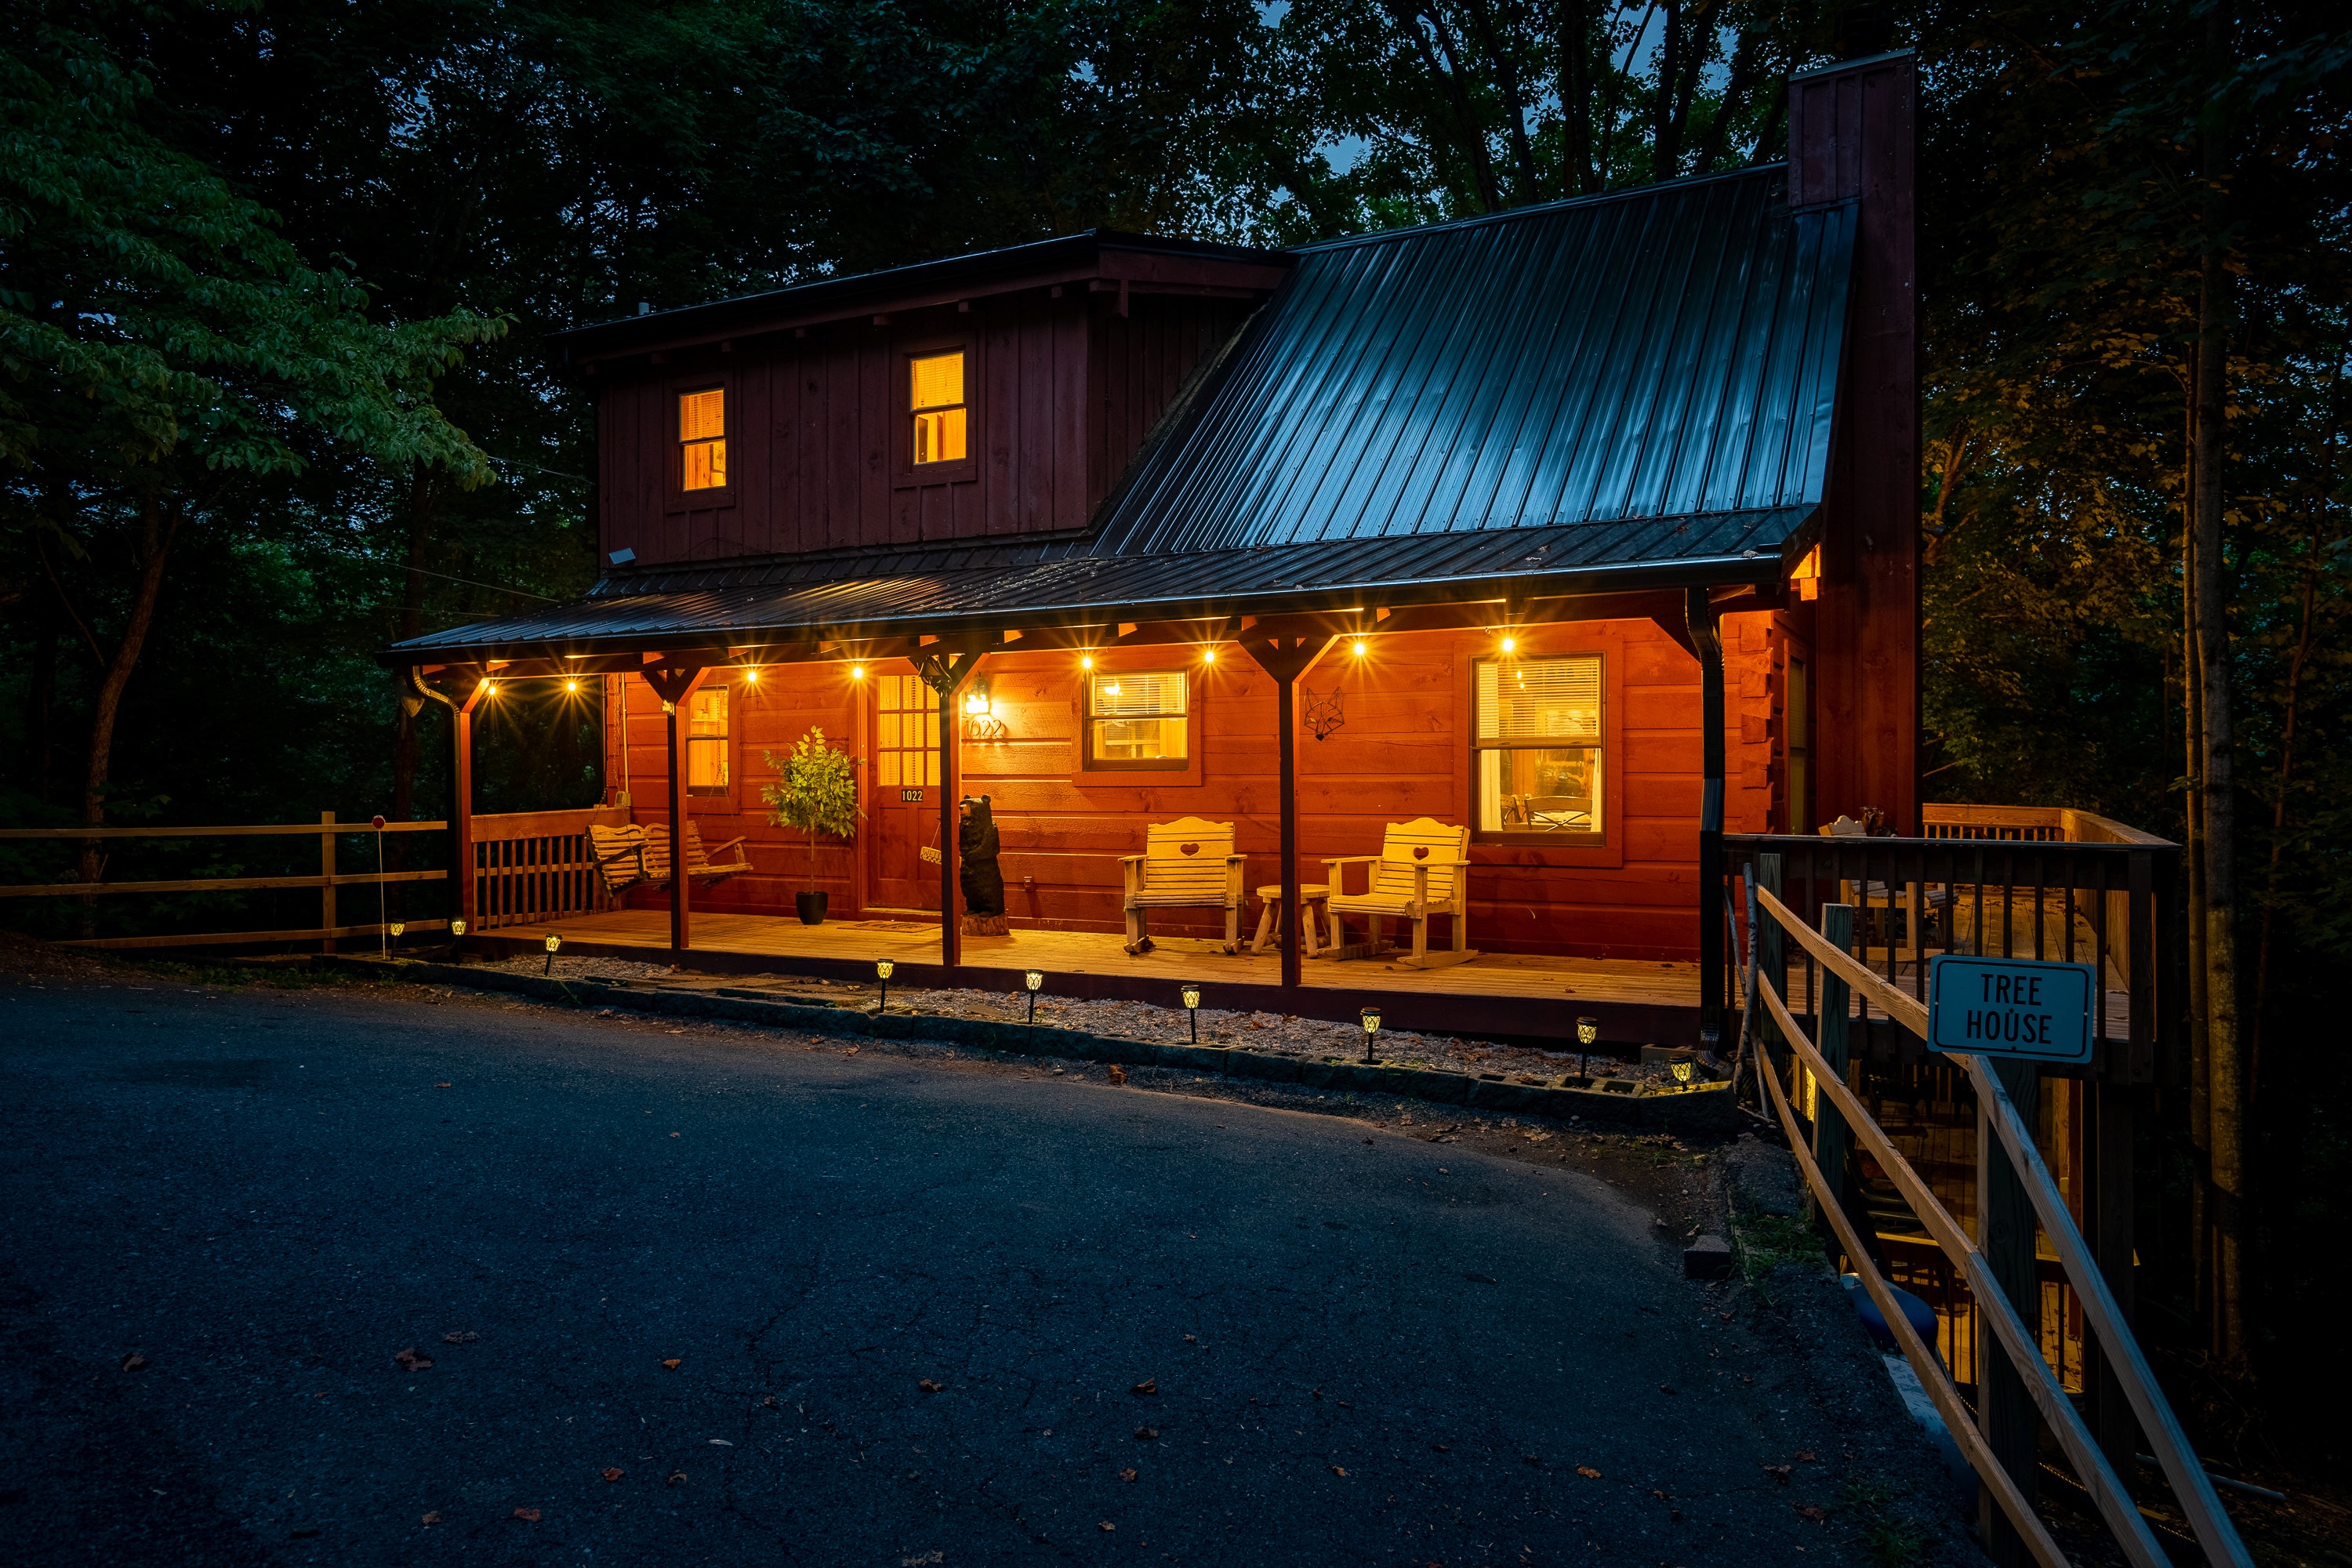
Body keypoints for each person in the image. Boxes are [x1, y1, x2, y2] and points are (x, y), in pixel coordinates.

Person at [956, 794, 1007, 935]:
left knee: (986, 887)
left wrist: (974, 854)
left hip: (984, 867)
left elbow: (990, 847)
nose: (963, 810)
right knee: (969, 886)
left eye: (968, 808)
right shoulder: (964, 826)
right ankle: (973, 906)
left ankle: (992, 908)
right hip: (968, 864)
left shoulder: (990, 828)